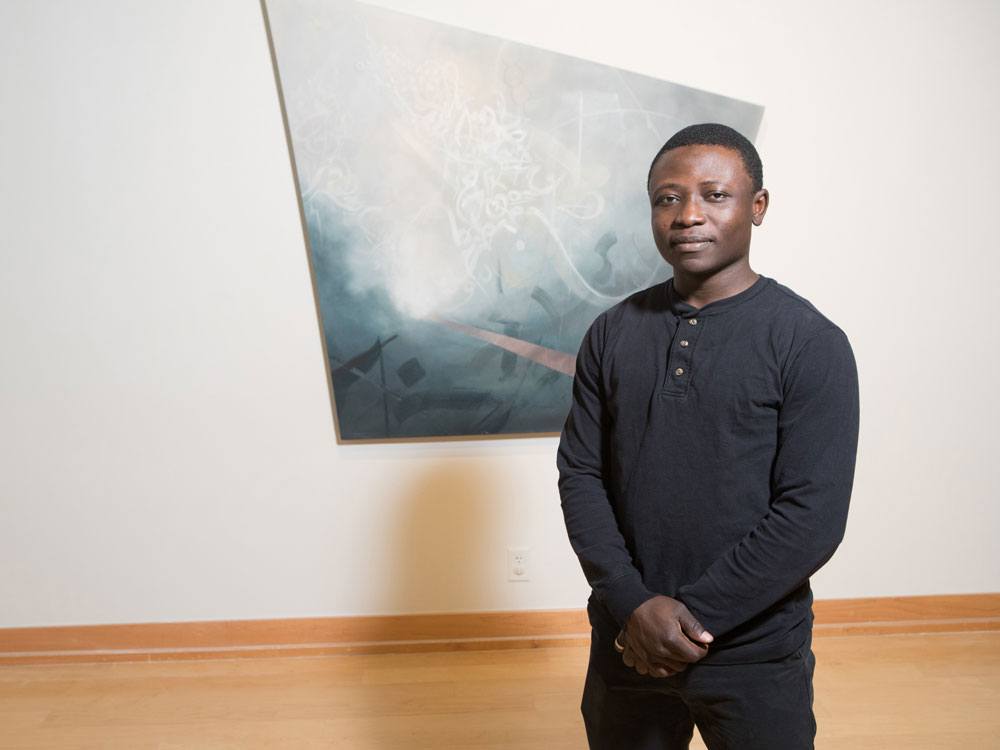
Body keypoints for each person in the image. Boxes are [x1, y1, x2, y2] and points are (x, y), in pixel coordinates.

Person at [556, 123, 859, 749]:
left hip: (752, 652)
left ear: (758, 207)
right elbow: (581, 475)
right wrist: (634, 605)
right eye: (668, 198)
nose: (688, 214)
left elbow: (812, 515)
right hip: (626, 640)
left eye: (714, 195)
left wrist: (690, 621)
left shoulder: (810, 343)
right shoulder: (611, 334)